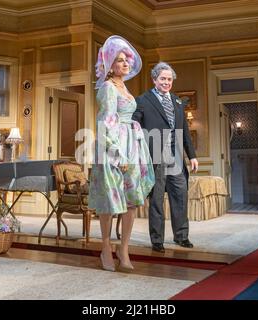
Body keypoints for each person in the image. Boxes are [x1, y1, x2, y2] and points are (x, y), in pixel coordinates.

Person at [89, 35, 155, 272]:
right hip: (113, 148)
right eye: (119, 60)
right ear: (109, 65)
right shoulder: (108, 87)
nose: (125, 63)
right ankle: (106, 246)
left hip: (133, 145)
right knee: (110, 201)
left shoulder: (124, 86)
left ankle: (123, 248)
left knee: (131, 201)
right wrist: (117, 154)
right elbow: (104, 122)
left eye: (126, 60)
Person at [132, 62, 199, 253]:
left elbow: (185, 131)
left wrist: (192, 156)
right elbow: (135, 123)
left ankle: (181, 236)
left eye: (169, 79)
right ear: (155, 79)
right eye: (163, 79)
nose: (166, 82)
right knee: (157, 199)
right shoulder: (143, 100)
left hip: (176, 156)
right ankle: (157, 240)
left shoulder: (177, 102)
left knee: (180, 195)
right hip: (155, 155)